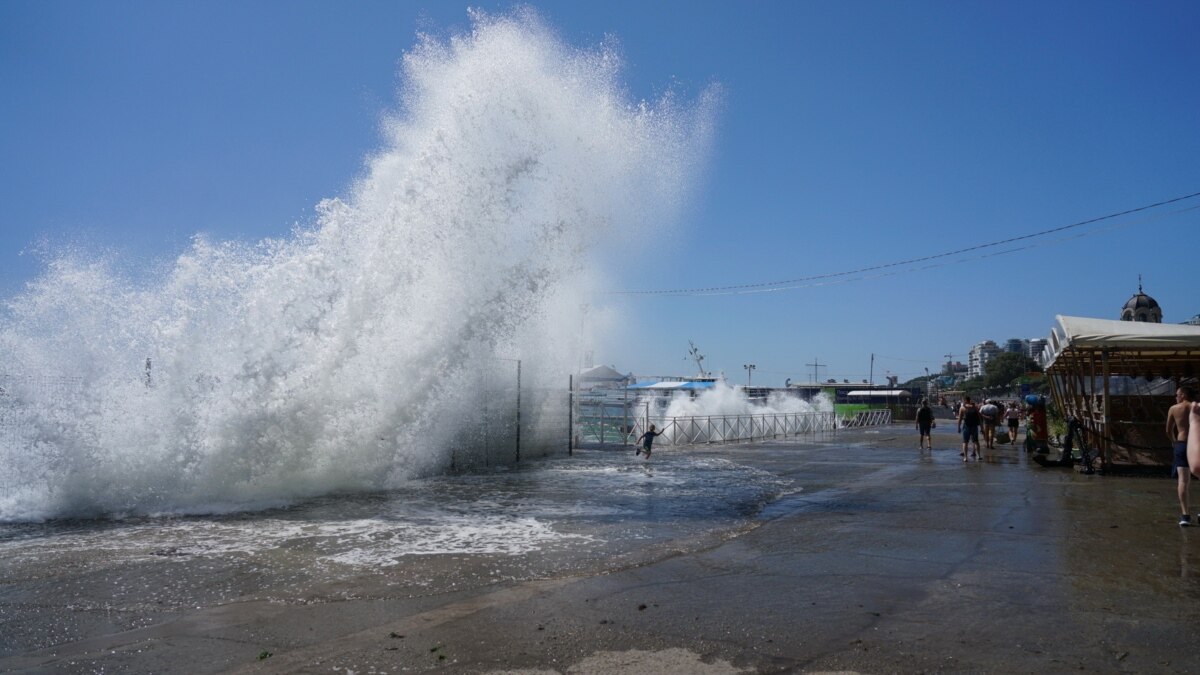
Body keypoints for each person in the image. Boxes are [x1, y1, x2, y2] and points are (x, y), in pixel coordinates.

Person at [1166, 387, 1196, 526]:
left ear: (1183, 395)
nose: (1175, 397)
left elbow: (1168, 430)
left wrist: (1173, 442)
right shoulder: (1196, 407)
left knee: (1183, 481)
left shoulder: (1174, 409)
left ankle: (1185, 516)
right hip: (1197, 444)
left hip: (1182, 444)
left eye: (1177, 394)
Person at [957, 396, 981, 461]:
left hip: (966, 426)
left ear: (965, 400)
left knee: (965, 442)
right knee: (976, 441)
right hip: (974, 426)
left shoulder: (962, 408)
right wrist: (981, 427)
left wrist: (959, 427)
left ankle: (965, 457)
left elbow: (960, 419)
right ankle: (979, 456)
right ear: (969, 400)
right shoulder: (975, 407)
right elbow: (979, 418)